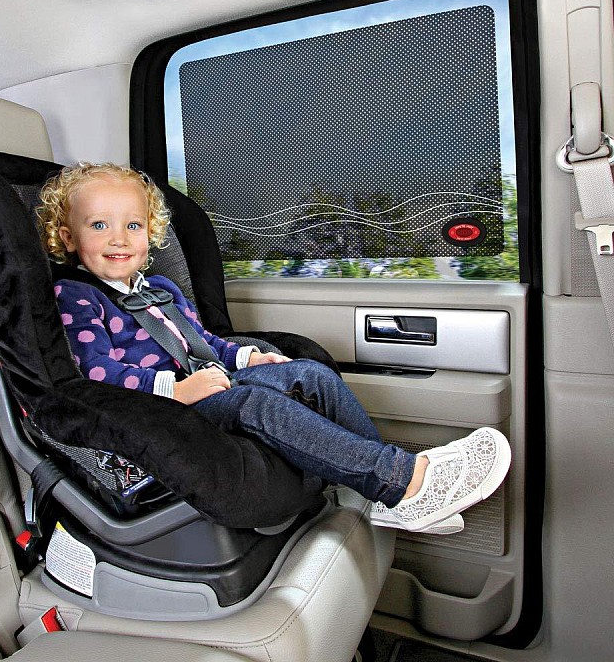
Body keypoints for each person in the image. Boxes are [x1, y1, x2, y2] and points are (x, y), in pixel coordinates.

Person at [37, 162, 511, 534]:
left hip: (210, 380)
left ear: (150, 232)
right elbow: (97, 374)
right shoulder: (75, 295)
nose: (118, 238)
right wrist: (177, 390)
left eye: (133, 225)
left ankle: (377, 496)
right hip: (162, 410)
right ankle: (404, 480)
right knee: (257, 404)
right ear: (68, 237)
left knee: (310, 375)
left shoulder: (160, 288)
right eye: (99, 225)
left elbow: (204, 343)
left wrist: (248, 357)